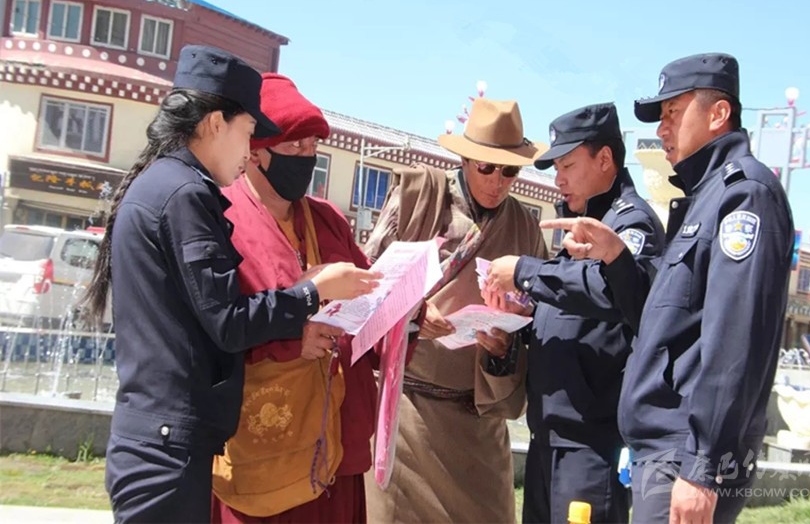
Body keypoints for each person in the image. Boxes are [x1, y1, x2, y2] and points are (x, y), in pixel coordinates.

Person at [81, 45, 378, 524]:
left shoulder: (163, 185)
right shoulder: (186, 194)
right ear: (217, 123)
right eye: (248, 131)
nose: (248, 148)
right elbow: (227, 320)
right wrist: (313, 293)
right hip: (173, 442)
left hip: (167, 435)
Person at [546, 53, 795, 524]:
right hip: (667, 453)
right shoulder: (705, 198)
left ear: (718, 114)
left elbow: (735, 340)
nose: (662, 129)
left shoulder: (744, 195)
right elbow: (667, 319)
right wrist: (617, 258)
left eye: (673, 113)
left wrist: (703, 466)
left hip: (687, 455)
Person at [362, 97, 550, 524]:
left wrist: (503, 345)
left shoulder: (525, 227)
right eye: (487, 167)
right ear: (464, 159)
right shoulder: (418, 197)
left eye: (510, 171)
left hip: (478, 422)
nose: (498, 181)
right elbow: (366, 283)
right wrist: (413, 312)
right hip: (408, 414)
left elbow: (536, 320)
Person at [210, 73, 380, 523]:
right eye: (294, 146)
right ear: (256, 150)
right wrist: (290, 339)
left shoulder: (327, 219)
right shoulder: (220, 218)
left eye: (313, 147)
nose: (306, 157)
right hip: (265, 450)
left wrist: (411, 313)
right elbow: (213, 327)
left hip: (338, 439)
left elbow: (370, 295)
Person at [484, 102, 664, 524]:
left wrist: (526, 272)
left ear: (605, 159)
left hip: (591, 446)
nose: (558, 179)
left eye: (568, 165)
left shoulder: (630, 224)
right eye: (555, 168)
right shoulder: (581, 222)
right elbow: (572, 314)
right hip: (550, 436)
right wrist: (516, 323)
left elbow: (609, 290)